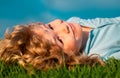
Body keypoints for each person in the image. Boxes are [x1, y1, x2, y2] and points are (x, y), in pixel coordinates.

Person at [0, 16, 120, 70]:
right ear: (67, 59)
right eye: (60, 40)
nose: (63, 27)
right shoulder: (101, 54)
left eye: (50, 27)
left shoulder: (74, 22)